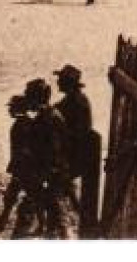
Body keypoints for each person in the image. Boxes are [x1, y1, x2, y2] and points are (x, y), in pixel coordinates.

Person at [53, 64, 98, 233]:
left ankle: (74, 224)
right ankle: (84, 219)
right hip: (76, 152)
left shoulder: (77, 102)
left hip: (77, 154)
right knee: (65, 188)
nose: (58, 82)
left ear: (68, 83)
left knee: (55, 183)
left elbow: (78, 133)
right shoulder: (74, 99)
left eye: (60, 79)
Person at [21, 77, 68, 238]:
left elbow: (54, 147)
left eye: (29, 96)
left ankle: (59, 235)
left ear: (37, 98)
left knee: (53, 204)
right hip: (48, 167)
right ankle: (48, 230)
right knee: (49, 203)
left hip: (51, 168)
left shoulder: (48, 117)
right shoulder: (48, 114)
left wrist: (49, 170)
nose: (27, 100)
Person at [0, 95, 37, 235]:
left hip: (24, 168)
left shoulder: (22, 124)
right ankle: (3, 219)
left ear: (18, 108)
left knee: (32, 196)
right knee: (11, 195)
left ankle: (40, 225)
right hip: (22, 166)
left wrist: (20, 168)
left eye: (12, 107)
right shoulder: (25, 122)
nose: (9, 110)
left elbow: (24, 149)